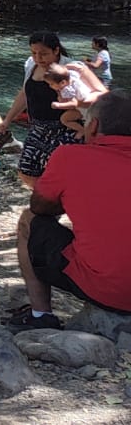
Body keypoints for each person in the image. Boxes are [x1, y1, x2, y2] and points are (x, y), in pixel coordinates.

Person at [10, 90, 131, 332]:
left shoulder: (70, 156)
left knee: (29, 220)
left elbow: (39, 206)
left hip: (108, 290)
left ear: (93, 126)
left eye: (85, 123)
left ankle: (40, 314)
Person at [0, 33, 108, 186]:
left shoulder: (73, 68)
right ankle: (48, 203)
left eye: (43, 54)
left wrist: (79, 102)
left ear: (56, 51)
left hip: (67, 128)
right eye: (34, 53)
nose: (38, 58)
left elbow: (103, 95)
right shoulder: (31, 65)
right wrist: (7, 120)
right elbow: (24, 94)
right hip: (37, 127)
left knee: (65, 175)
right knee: (26, 171)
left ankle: (63, 204)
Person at [41, 63, 101, 136]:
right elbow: (75, 70)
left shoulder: (67, 90)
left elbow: (74, 104)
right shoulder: (72, 76)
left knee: (64, 119)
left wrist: (59, 105)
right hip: (89, 106)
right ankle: (84, 130)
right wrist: (70, 66)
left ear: (63, 82)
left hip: (85, 110)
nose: (50, 86)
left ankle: (82, 130)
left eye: (51, 84)